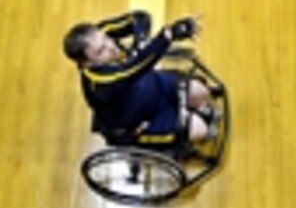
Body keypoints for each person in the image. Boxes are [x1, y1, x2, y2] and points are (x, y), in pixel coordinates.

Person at [63, 10, 215, 144]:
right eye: (101, 51)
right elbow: (137, 66)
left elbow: (139, 18)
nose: (111, 47)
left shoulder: (98, 35)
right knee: (200, 130)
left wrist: (140, 41)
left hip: (152, 86)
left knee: (202, 92)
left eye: (107, 39)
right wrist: (169, 35)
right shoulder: (101, 82)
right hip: (139, 119)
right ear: (86, 63)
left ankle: (196, 112)